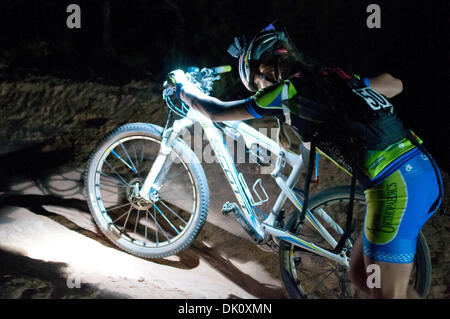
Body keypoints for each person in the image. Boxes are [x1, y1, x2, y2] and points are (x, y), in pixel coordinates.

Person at [167, 23, 443, 298]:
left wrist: (183, 89)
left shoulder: (288, 89)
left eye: (257, 84)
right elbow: (394, 84)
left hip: (397, 189)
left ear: (265, 71)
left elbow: (215, 111)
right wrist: (363, 84)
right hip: (419, 171)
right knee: (361, 275)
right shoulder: (335, 78)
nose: (259, 92)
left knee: (387, 294)